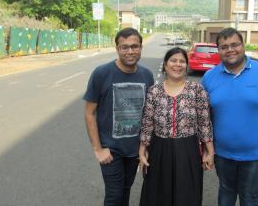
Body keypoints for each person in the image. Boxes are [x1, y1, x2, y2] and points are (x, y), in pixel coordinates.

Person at [201, 27, 258, 206]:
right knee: (226, 192)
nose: (230, 50)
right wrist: (206, 149)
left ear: (243, 45)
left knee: (250, 196)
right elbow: (204, 117)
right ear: (218, 50)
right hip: (222, 154)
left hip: (256, 155)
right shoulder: (209, 77)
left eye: (235, 44)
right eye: (224, 46)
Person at [83, 27, 154, 206]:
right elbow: (89, 112)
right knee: (114, 195)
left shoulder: (146, 75)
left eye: (134, 46)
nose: (130, 51)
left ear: (140, 48)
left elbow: (149, 113)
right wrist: (98, 149)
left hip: (135, 149)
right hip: (111, 150)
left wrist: (146, 147)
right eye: (124, 47)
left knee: (125, 190)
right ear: (117, 49)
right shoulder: (101, 73)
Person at [139, 47, 215, 206]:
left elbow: (204, 122)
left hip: (188, 150)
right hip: (159, 149)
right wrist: (142, 151)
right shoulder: (154, 91)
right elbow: (147, 123)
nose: (178, 64)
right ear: (165, 65)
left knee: (187, 194)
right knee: (159, 194)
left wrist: (210, 151)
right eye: (173, 60)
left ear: (186, 65)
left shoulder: (196, 90)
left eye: (182, 61)